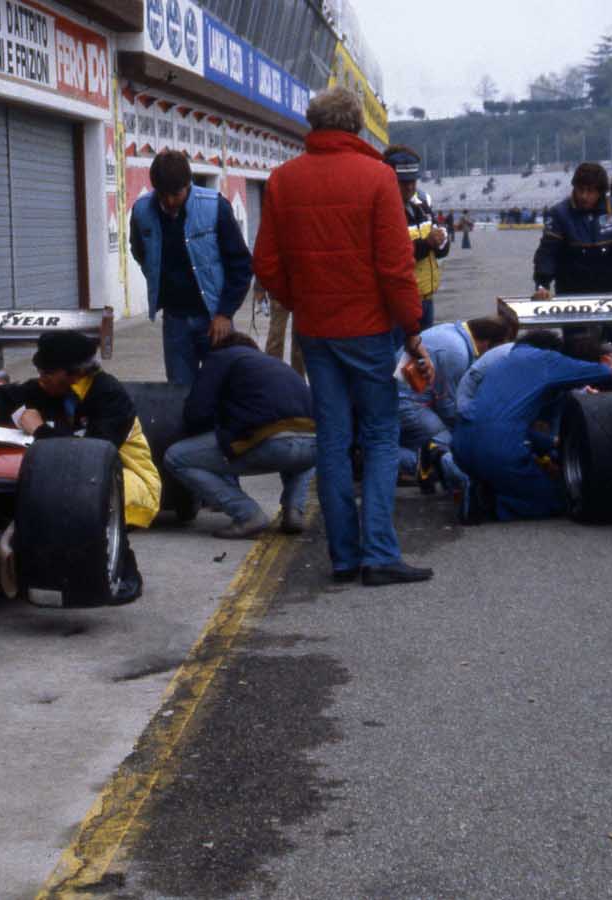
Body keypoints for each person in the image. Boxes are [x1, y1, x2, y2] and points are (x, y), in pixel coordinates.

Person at [252, 85, 434, 587]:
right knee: (379, 435)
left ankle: (344, 557)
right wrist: (413, 329)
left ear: (314, 125)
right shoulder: (377, 178)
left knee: (332, 441)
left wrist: (303, 299)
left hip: (317, 330)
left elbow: (265, 262)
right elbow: (396, 268)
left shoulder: (283, 180)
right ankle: (379, 553)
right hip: (370, 328)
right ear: (355, 126)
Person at [0, 330, 158, 604]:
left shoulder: (109, 395)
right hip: (77, 470)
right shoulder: (48, 387)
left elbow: (92, 460)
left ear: (73, 374)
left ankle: (124, 575)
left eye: (47, 375)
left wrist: (40, 430)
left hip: (128, 478)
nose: (41, 381)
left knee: (84, 500)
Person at [451, 330, 612, 522]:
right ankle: (486, 503)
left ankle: (480, 486)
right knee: (557, 500)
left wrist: (549, 444)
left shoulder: (505, 361)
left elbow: (507, 423)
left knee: (506, 468)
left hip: (462, 443)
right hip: (497, 452)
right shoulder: (548, 360)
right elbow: (605, 373)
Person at [164, 331, 316, 539]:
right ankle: (293, 510)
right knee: (295, 440)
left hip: (270, 442)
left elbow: (196, 414)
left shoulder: (220, 357)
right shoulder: (273, 364)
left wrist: (218, 423)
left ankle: (247, 514)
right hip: (313, 446)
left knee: (176, 457)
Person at [130, 150, 253, 385]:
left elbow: (241, 265)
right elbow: (140, 252)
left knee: (222, 386)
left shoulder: (216, 207)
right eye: (162, 195)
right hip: (175, 321)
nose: (169, 201)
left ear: (188, 184)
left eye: (175, 194)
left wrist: (225, 313)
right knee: (179, 391)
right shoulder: (142, 212)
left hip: (214, 320)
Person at [396, 315, 515, 488]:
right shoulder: (456, 352)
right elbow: (448, 405)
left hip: (407, 397)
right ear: (487, 344)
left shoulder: (452, 333)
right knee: (448, 454)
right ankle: (386, 457)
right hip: (408, 404)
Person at [532, 162, 612, 298]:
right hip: (572, 295)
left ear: (601, 191)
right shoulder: (558, 213)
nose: (584, 196)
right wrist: (542, 285)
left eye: (590, 191)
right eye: (580, 189)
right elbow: (547, 254)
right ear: (574, 187)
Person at [383, 144, 449, 331]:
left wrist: (441, 242)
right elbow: (394, 256)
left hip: (427, 297)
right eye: (403, 182)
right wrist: (427, 243)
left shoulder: (421, 206)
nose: (410, 186)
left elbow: (440, 252)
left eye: (413, 181)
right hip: (401, 303)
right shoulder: (385, 211)